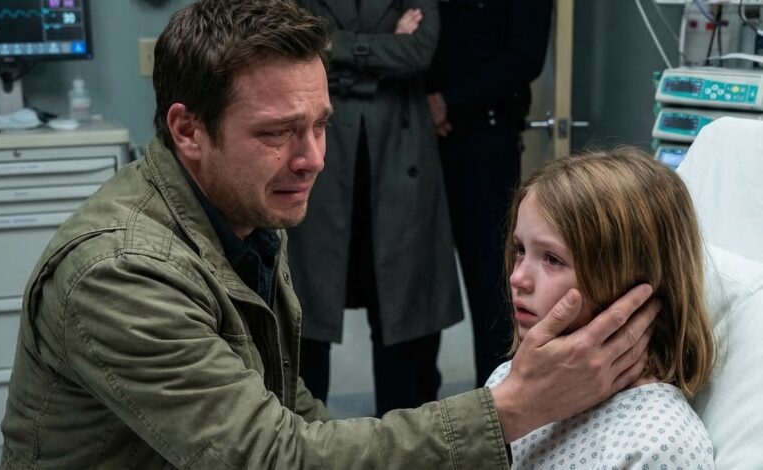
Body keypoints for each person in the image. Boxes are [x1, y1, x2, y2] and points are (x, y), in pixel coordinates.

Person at [1, 1, 657, 468]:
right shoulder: (122, 274)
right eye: (277, 132)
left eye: (320, 125)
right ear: (188, 130)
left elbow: (295, 417)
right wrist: (509, 409)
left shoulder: (248, 223)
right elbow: (275, 457)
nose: (313, 158)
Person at [486, 148, 716, 468]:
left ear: (629, 279)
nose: (517, 277)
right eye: (520, 249)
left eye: (552, 259)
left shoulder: (658, 444)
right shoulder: (508, 384)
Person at [289, 0, 462, 415]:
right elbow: (297, 52)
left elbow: (418, 52)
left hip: (399, 160)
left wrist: (340, 51)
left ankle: (406, 439)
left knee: (403, 316)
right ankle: (300, 437)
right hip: (322, 156)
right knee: (304, 315)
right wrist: (384, 52)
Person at [427, 0, 554, 387]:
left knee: (494, 288)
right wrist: (426, 106)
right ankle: (412, 410)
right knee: (417, 290)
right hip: (419, 136)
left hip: (486, 141)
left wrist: (448, 102)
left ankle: (498, 402)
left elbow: (525, 58)